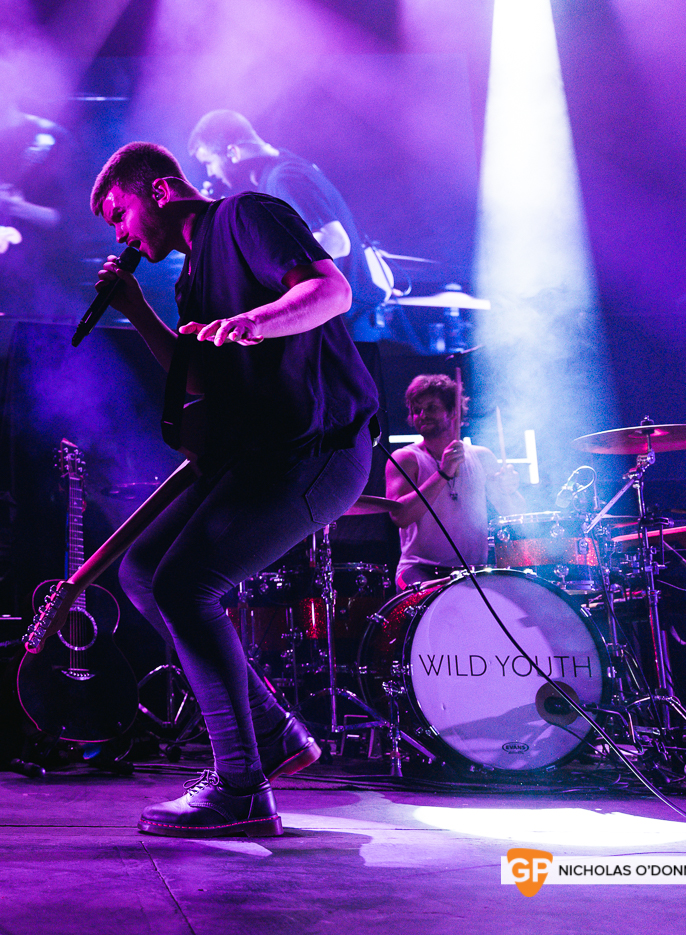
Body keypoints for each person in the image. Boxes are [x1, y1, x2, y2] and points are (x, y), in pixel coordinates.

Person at [90, 142, 378, 838]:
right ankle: (272, 733)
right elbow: (198, 377)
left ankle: (242, 786)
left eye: (120, 213)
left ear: (160, 191)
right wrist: (135, 309)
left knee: (185, 583)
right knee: (142, 569)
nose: (120, 234)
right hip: (263, 455)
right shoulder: (189, 279)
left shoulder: (245, 215)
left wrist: (255, 322)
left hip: (322, 449)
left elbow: (330, 291)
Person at [187, 109, 395, 342]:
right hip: (349, 325)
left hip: (350, 328)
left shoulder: (285, 178)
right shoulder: (284, 168)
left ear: (232, 152)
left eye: (209, 163)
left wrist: (264, 271)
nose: (211, 173)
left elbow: (335, 241)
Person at [385, 374, 525, 590]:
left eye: (431, 408)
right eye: (416, 410)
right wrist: (443, 473)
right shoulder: (405, 458)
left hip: (473, 570)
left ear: (453, 411)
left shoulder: (481, 456)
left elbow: (515, 513)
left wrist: (509, 489)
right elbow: (400, 516)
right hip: (419, 569)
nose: (422, 415)